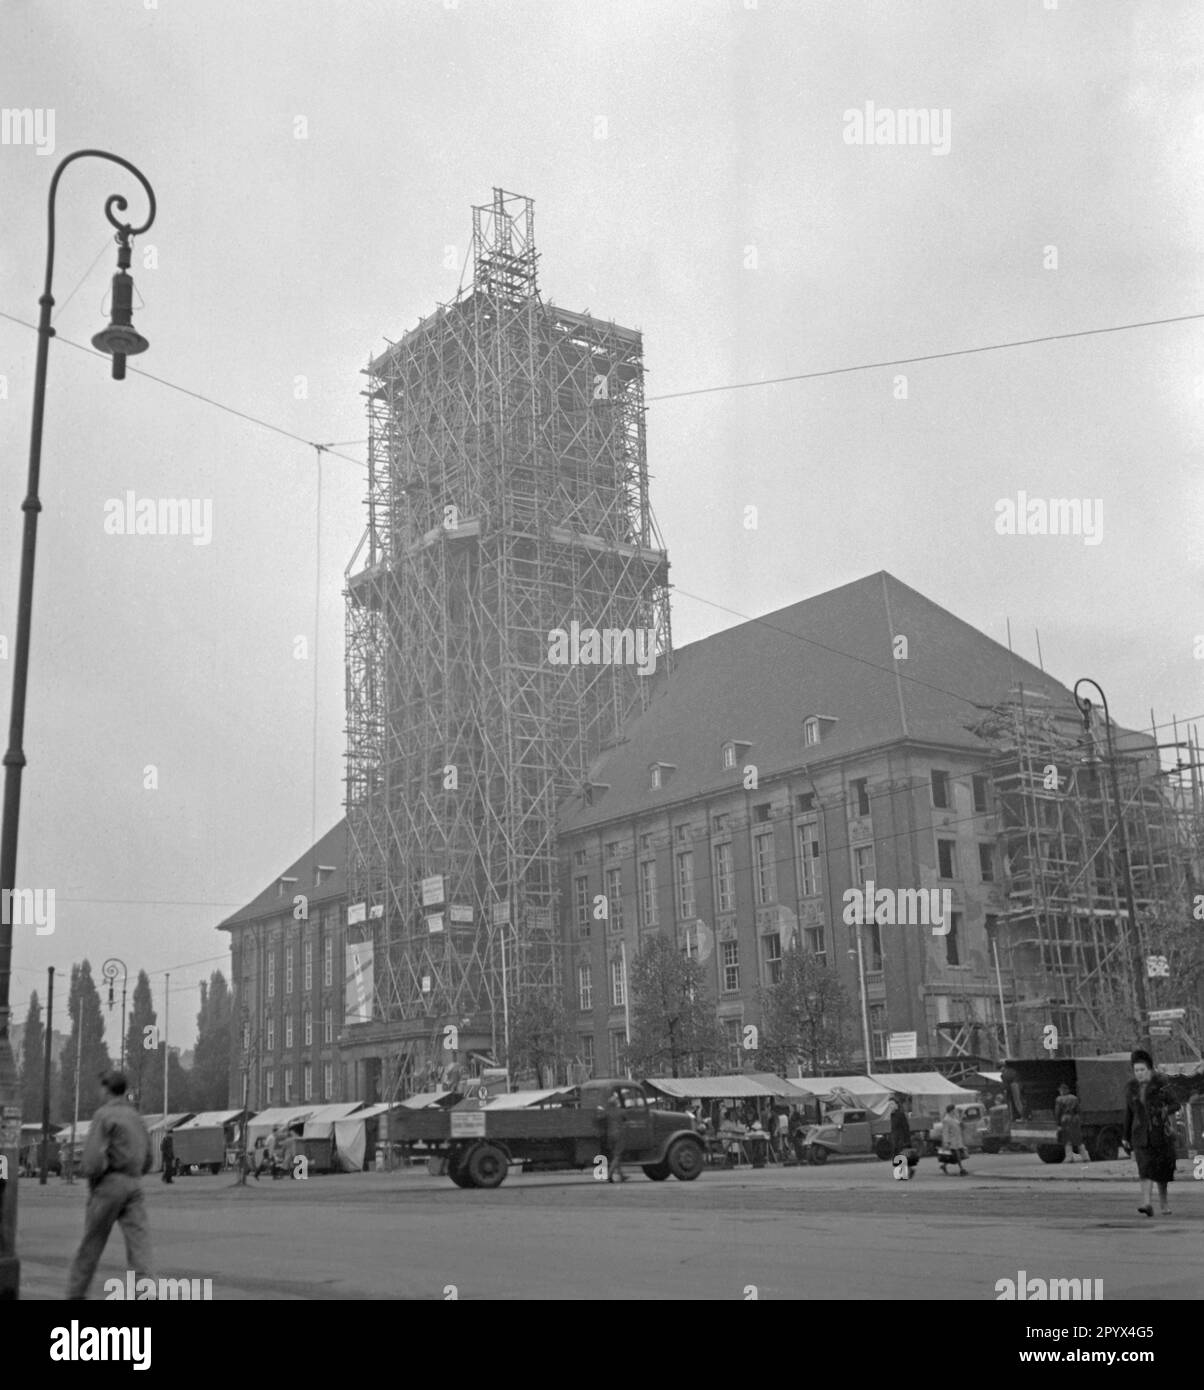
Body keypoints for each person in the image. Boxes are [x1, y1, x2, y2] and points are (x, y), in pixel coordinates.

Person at [67, 1071, 154, 1300]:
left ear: (106, 1089)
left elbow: (92, 1160)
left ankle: (75, 1295)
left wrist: (92, 1176)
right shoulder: (136, 1116)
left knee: (91, 1245)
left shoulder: (103, 1115)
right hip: (134, 1184)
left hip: (110, 1185)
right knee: (139, 1248)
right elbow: (149, 1158)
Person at [1122, 1049, 1180, 1217]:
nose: (1139, 1073)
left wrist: (1164, 1110)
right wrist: (1125, 1137)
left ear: (1149, 1069)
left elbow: (1176, 1104)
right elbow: (1129, 1113)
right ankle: (1147, 1203)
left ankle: (1164, 1203)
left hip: (1160, 1134)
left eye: (1142, 1070)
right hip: (1140, 1135)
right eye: (1136, 1070)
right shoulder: (1131, 1088)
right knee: (1145, 1169)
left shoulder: (1161, 1084)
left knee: (1162, 1171)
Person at [1054, 1082, 1089, 1164]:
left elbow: (1057, 1112)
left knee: (1067, 1140)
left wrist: (1058, 1123)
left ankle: (1069, 1158)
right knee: (1078, 1139)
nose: (1060, 1091)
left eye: (1060, 1090)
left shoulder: (1059, 1099)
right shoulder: (1074, 1098)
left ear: (1063, 1091)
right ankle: (1086, 1157)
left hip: (1065, 1120)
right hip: (1075, 1120)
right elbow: (1079, 1110)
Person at [603, 1092, 628, 1183]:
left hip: (609, 1135)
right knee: (617, 1156)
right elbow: (626, 1118)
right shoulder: (621, 1111)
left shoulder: (607, 1112)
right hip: (619, 1135)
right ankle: (609, 1175)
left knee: (615, 1156)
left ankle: (621, 1175)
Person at [939, 1104, 968, 1176]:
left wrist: (961, 1122)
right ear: (951, 1110)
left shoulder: (954, 1118)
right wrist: (946, 1142)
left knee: (951, 1155)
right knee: (957, 1154)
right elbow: (945, 1132)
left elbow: (960, 1126)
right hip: (952, 1141)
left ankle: (944, 1166)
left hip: (957, 1140)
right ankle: (961, 1169)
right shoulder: (946, 1119)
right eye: (954, 1109)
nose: (955, 1111)